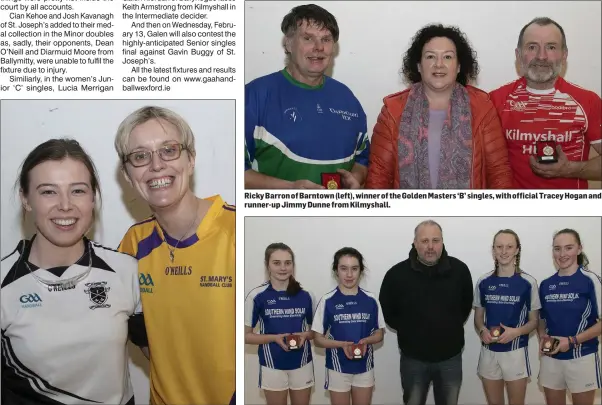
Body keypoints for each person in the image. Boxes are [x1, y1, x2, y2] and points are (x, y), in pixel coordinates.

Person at [1, 139, 146, 405]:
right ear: (26, 199)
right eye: (48, 192)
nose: (65, 205)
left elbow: (170, 359)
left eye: (78, 191)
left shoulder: (127, 271)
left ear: (93, 197)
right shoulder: (3, 284)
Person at [114, 106, 235, 405]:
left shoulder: (238, 231)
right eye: (140, 156)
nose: (156, 165)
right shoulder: (133, 244)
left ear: (190, 160)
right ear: (128, 174)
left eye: (169, 150)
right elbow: (125, 324)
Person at [365, 24, 513, 189]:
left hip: (468, 214)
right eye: (430, 57)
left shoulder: (483, 108)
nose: (439, 64)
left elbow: (499, 173)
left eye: (448, 57)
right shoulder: (392, 111)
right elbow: (379, 176)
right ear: (419, 65)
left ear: (458, 66)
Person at [245, 4, 370, 189]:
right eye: (308, 38)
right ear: (288, 44)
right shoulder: (255, 95)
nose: (318, 47)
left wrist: (357, 178)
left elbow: (363, 159)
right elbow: (235, 172)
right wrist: (289, 189)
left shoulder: (347, 98)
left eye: (326, 39)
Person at [489, 17, 602, 189]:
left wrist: (570, 169)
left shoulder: (588, 101)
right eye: (532, 47)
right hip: (512, 212)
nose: (541, 56)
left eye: (551, 47)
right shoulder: (494, 101)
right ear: (518, 55)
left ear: (564, 55)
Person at [379, 220, 473, 405]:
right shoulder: (396, 275)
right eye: (424, 241)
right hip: (413, 360)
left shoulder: (460, 271)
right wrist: (410, 330)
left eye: (435, 240)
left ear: (442, 242)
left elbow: (464, 307)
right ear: (415, 243)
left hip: (450, 359)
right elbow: (387, 312)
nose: (430, 246)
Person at [473, 230, 540, 405]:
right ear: (493, 250)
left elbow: (534, 321)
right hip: (489, 353)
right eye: (499, 247)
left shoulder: (528, 282)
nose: (504, 251)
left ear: (517, 250)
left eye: (509, 247)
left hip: (516, 352)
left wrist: (516, 332)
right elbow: (478, 317)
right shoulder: (483, 281)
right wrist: (482, 330)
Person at [312, 247, 385, 405]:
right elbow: (317, 339)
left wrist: (366, 341)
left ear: (361, 271)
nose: (349, 274)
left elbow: (379, 334)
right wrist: (341, 345)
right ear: (336, 271)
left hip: (364, 367)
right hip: (337, 368)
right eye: (344, 268)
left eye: (354, 268)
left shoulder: (371, 300)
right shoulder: (327, 300)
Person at [244, 243, 315, 405]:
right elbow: (245, 336)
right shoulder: (256, 296)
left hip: (302, 363)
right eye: (277, 263)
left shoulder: (306, 295)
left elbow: (316, 333)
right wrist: (274, 338)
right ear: (267, 265)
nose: (283, 268)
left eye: (288, 263)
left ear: (293, 265)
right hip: (272, 364)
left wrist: (305, 335)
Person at [538, 229, 601, 405]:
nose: (562, 254)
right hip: (551, 359)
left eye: (568, 248)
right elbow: (542, 319)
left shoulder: (591, 280)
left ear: (579, 249)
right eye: (557, 249)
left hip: (582, 357)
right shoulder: (545, 284)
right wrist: (542, 336)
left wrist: (571, 341)